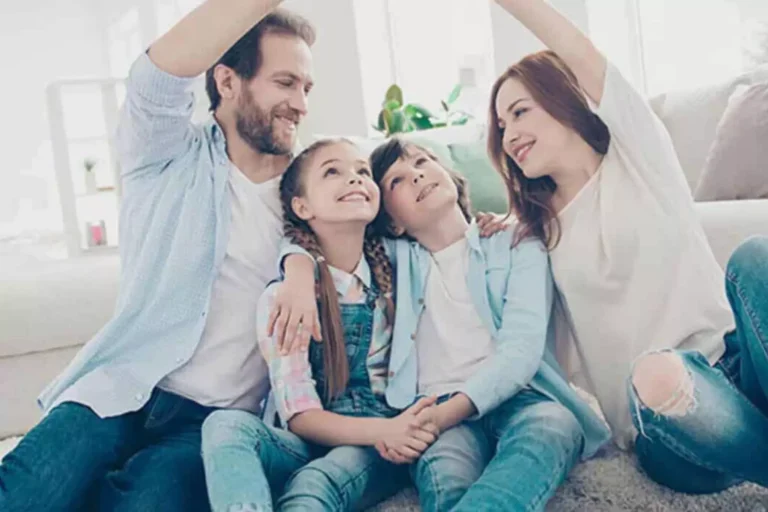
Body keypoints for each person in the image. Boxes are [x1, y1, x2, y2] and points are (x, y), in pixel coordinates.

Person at [0, 2, 320, 510]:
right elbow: (152, 79)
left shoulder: (309, 194)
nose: (301, 103)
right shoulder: (164, 152)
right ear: (229, 81)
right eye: (285, 82)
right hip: (123, 386)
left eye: (307, 87)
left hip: (213, 421)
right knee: (25, 491)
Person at [488, 0, 768, 494]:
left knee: (755, 257)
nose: (508, 134)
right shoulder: (534, 233)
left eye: (518, 112)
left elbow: (577, 48)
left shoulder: (637, 154)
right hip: (665, 425)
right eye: (501, 126)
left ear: (562, 96)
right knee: (657, 373)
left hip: (738, 368)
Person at [365, 138, 609, 511]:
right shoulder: (391, 262)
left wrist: (445, 415)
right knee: (445, 479)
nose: (415, 175)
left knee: (554, 426)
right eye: (396, 181)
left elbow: (521, 350)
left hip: (520, 396)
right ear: (392, 223)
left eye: (422, 161)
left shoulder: (516, 240)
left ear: (449, 174)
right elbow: (319, 236)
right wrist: (297, 269)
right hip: (435, 404)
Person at [202, 138, 440, 511]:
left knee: (315, 485)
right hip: (311, 441)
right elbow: (300, 417)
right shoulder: (285, 298)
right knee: (223, 425)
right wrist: (298, 267)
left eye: (363, 172)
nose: (355, 179)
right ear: (302, 206)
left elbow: (446, 234)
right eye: (333, 171)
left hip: (375, 446)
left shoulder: (402, 266)